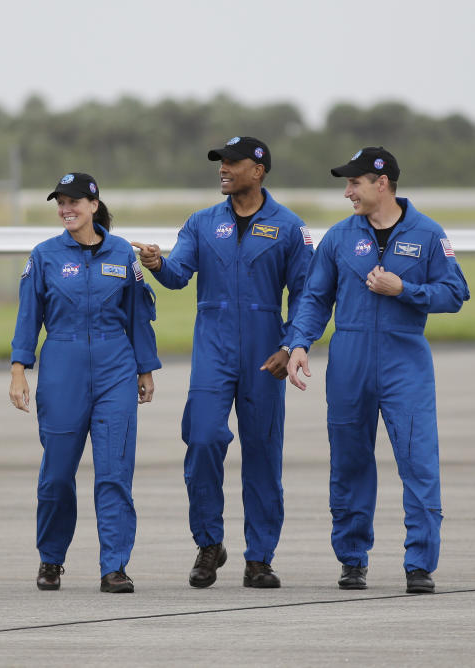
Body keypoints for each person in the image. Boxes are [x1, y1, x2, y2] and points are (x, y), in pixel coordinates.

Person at [285, 146, 470, 594]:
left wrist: (405, 288)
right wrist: (298, 343)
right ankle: (352, 559)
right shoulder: (338, 237)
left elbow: (455, 291)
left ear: (381, 183)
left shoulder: (427, 235)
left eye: (355, 183)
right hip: (349, 360)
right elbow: (314, 297)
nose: (348, 191)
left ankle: (420, 564)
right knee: (349, 463)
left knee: (418, 462)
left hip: (404, 361)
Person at [132, 137, 313, 589]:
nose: (223, 169)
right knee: (204, 438)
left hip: (265, 351)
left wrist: (290, 345)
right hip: (213, 349)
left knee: (262, 455)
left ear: (259, 170)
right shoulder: (201, 222)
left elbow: (308, 295)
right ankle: (209, 543)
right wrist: (157, 263)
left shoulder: (288, 227)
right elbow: (177, 277)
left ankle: (260, 558)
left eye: (232, 162)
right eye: (220, 163)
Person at [10, 172, 161, 593]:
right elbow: (28, 318)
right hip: (62, 366)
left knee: (114, 472)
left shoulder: (123, 255)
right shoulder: (44, 256)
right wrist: (19, 368)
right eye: (61, 202)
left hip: (116, 367)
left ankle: (114, 566)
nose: (66, 208)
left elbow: (138, 315)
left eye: (75, 201)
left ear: (94, 205)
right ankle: (51, 558)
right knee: (57, 474)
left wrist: (144, 368)